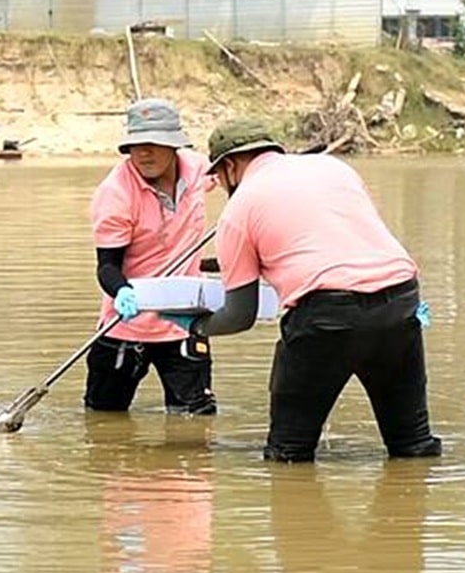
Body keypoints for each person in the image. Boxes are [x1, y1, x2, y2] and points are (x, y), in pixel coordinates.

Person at [160, 118, 442, 461]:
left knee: (288, 454)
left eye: (218, 178)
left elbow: (240, 315)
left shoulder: (240, 206)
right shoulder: (333, 168)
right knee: (413, 445)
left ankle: (296, 509)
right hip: (400, 300)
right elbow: (343, 235)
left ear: (231, 166)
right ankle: (416, 501)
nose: (220, 185)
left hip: (326, 318)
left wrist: (197, 326)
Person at [85, 97, 217, 416]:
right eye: (137, 144)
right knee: (103, 419)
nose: (144, 152)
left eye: (155, 143)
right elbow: (107, 266)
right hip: (126, 324)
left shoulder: (201, 170)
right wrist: (122, 292)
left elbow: (245, 175)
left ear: (175, 146)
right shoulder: (115, 194)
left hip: (184, 322)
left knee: (194, 421)